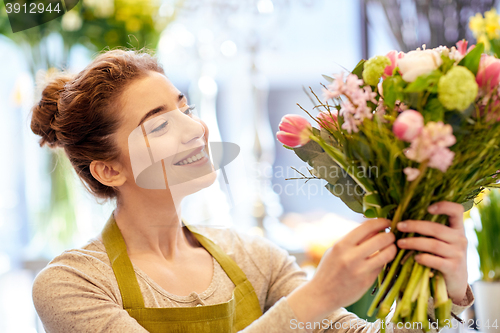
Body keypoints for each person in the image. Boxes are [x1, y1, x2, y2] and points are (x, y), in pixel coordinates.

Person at [30, 49, 474, 333]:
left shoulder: (254, 257)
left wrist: (450, 291)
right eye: (160, 123)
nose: (197, 129)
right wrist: (315, 298)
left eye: (187, 108)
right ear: (109, 170)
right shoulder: (72, 284)